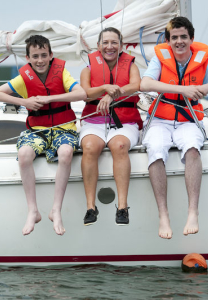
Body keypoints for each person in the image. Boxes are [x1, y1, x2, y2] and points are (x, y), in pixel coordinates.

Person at [140, 17, 208, 239]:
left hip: (188, 119)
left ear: (191, 39)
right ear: (168, 41)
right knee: (156, 150)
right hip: (161, 119)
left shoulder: (204, 62)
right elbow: (146, 84)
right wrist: (182, 90)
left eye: (184, 37)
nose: (179, 42)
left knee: (191, 148)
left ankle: (192, 212)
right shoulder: (160, 60)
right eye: (175, 38)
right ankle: (164, 215)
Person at [0, 35, 87, 236]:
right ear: (28, 58)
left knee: (66, 152)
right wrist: (24, 102)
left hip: (64, 127)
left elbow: (81, 94)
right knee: (25, 154)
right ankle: (33, 210)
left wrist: (50, 98)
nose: (40, 60)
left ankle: (56, 210)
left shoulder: (61, 73)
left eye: (44, 55)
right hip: (38, 130)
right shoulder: (24, 78)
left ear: (51, 55)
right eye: (35, 56)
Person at [79, 27, 142, 226]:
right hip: (95, 122)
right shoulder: (87, 69)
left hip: (124, 121)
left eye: (114, 42)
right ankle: (91, 207)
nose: (110, 46)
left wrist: (112, 93)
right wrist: (105, 87)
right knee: (89, 147)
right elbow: (86, 93)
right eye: (105, 42)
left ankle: (122, 207)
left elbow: (136, 85)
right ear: (98, 46)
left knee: (119, 146)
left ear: (121, 46)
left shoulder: (131, 66)